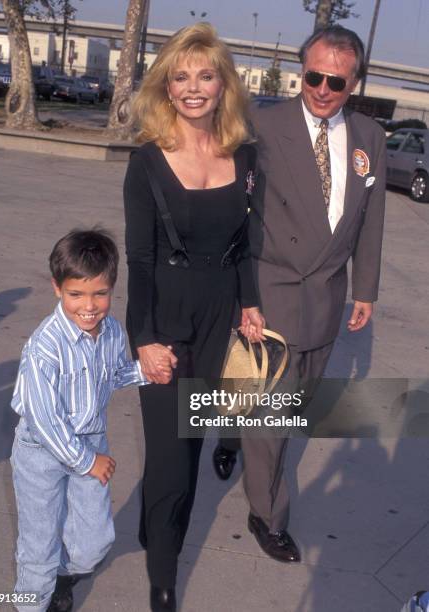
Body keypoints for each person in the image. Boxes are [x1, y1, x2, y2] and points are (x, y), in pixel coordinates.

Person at [213, 25, 386, 563]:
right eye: (313, 76)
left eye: (336, 80)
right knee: (271, 419)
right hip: (271, 292)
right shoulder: (263, 126)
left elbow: (370, 219)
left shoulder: (370, 138)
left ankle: (228, 431)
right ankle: (267, 514)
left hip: (329, 295)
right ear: (300, 71)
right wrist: (238, 292)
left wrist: (366, 288)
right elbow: (229, 211)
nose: (322, 89)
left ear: (354, 82)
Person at [124, 22, 264, 612]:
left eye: (205, 75)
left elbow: (249, 241)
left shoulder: (247, 154)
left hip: (220, 319)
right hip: (166, 317)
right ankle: (163, 575)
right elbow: (140, 258)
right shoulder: (147, 162)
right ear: (165, 86)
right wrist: (143, 339)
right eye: (180, 76)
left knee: (193, 440)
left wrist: (251, 303)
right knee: (172, 465)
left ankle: (156, 528)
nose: (193, 87)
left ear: (223, 84)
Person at [10, 229, 159, 612]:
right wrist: (87, 461)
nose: (89, 306)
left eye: (100, 293)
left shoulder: (110, 331)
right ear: (57, 288)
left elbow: (112, 376)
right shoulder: (44, 347)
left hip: (91, 441)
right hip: (40, 453)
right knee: (38, 546)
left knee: (93, 545)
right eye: (77, 294)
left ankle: (63, 574)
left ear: (112, 288)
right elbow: (43, 420)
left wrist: (147, 372)